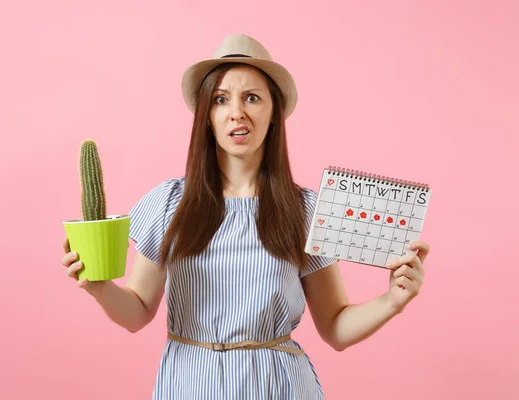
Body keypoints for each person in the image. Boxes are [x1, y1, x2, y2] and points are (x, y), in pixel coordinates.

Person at [61, 33, 431, 399]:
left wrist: (392, 302)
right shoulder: (168, 203)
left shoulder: (305, 210)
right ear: (207, 116)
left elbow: (335, 327)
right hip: (189, 386)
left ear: (274, 114)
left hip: (279, 387)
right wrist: (98, 287)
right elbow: (137, 312)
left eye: (252, 97)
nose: (236, 111)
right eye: (221, 100)